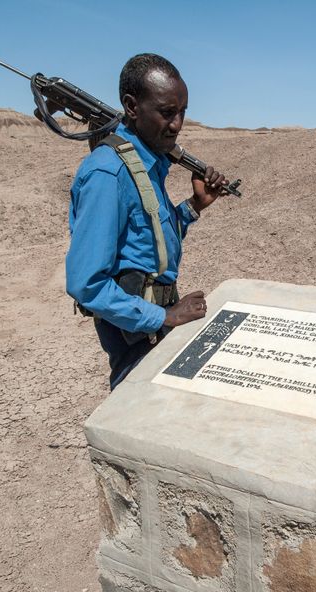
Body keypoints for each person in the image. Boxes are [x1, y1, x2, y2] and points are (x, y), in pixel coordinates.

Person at [66, 53, 229, 389]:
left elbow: (148, 240)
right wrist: (165, 316)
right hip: (135, 332)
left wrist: (195, 206)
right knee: (138, 412)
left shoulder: (146, 163)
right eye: (167, 113)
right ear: (132, 106)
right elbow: (86, 283)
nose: (177, 124)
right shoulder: (108, 173)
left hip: (157, 318)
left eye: (182, 112)